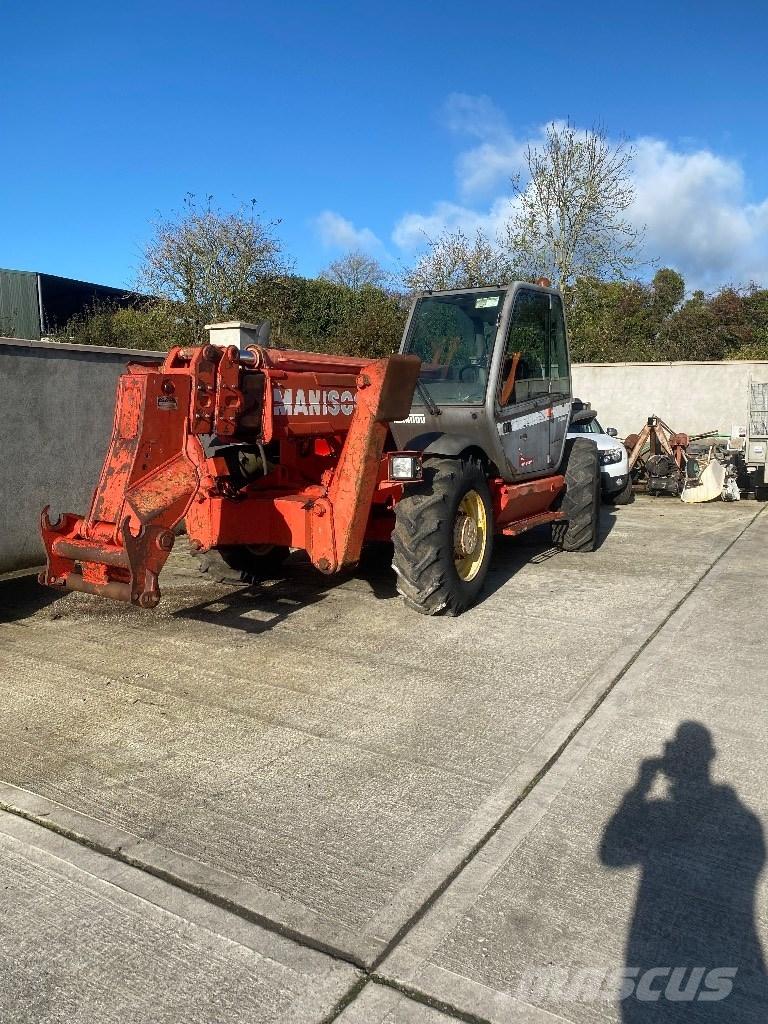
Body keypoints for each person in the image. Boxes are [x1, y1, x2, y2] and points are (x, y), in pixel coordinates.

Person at [600, 721, 766, 1021]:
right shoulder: (745, 820)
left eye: (675, 747)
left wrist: (642, 784)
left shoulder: (665, 814)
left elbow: (611, 854)